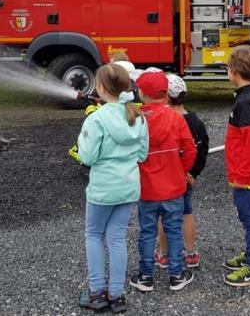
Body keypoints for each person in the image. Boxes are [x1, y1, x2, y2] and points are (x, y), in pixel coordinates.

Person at [77, 63, 148, 313]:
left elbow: (86, 157)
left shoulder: (95, 119)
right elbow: (142, 153)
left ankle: (97, 293)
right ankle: (116, 295)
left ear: (99, 87)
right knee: (117, 237)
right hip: (128, 187)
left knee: (94, 235)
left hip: (102, 189)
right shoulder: (138, 117)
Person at [129, 69, 197, 292]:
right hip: (173, 187)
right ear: (166, 94)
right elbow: (189, 148)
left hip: (147, 188)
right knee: (174, 230)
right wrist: (182, 170)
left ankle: (145, 276)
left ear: (141, 93)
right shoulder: (176, 119)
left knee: (147, 232)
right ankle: (176, 275)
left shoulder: (136, 120)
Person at [222, 46, 250, 287]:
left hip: (248, 176)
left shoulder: (246, 101)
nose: (227, 71)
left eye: (229, 67)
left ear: (236, 71)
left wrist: (241, 175)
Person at [155, 74, 209, 269]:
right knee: (187, 211)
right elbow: (202, 150)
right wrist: (193, 173)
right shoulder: (197, 122)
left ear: (166, 97)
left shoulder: (163, 120)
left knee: (163, 214)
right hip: (186, 178)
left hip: (165, 178)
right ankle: (191, 252)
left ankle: (164, 254)